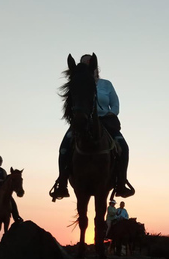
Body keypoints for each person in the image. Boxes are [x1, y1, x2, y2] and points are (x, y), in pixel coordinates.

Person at [49, 54, 134, 201]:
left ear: (94, 66)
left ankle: (121, 183)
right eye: (83, 64)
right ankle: (62, 184)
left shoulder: (106, 84)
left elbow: (115, 104)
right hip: (83, 121)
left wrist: (110, 113)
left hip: (105, 121)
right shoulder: (78, 83)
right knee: (64, 147)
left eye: (89, 63)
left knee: (123, 147)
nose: (87, 66)